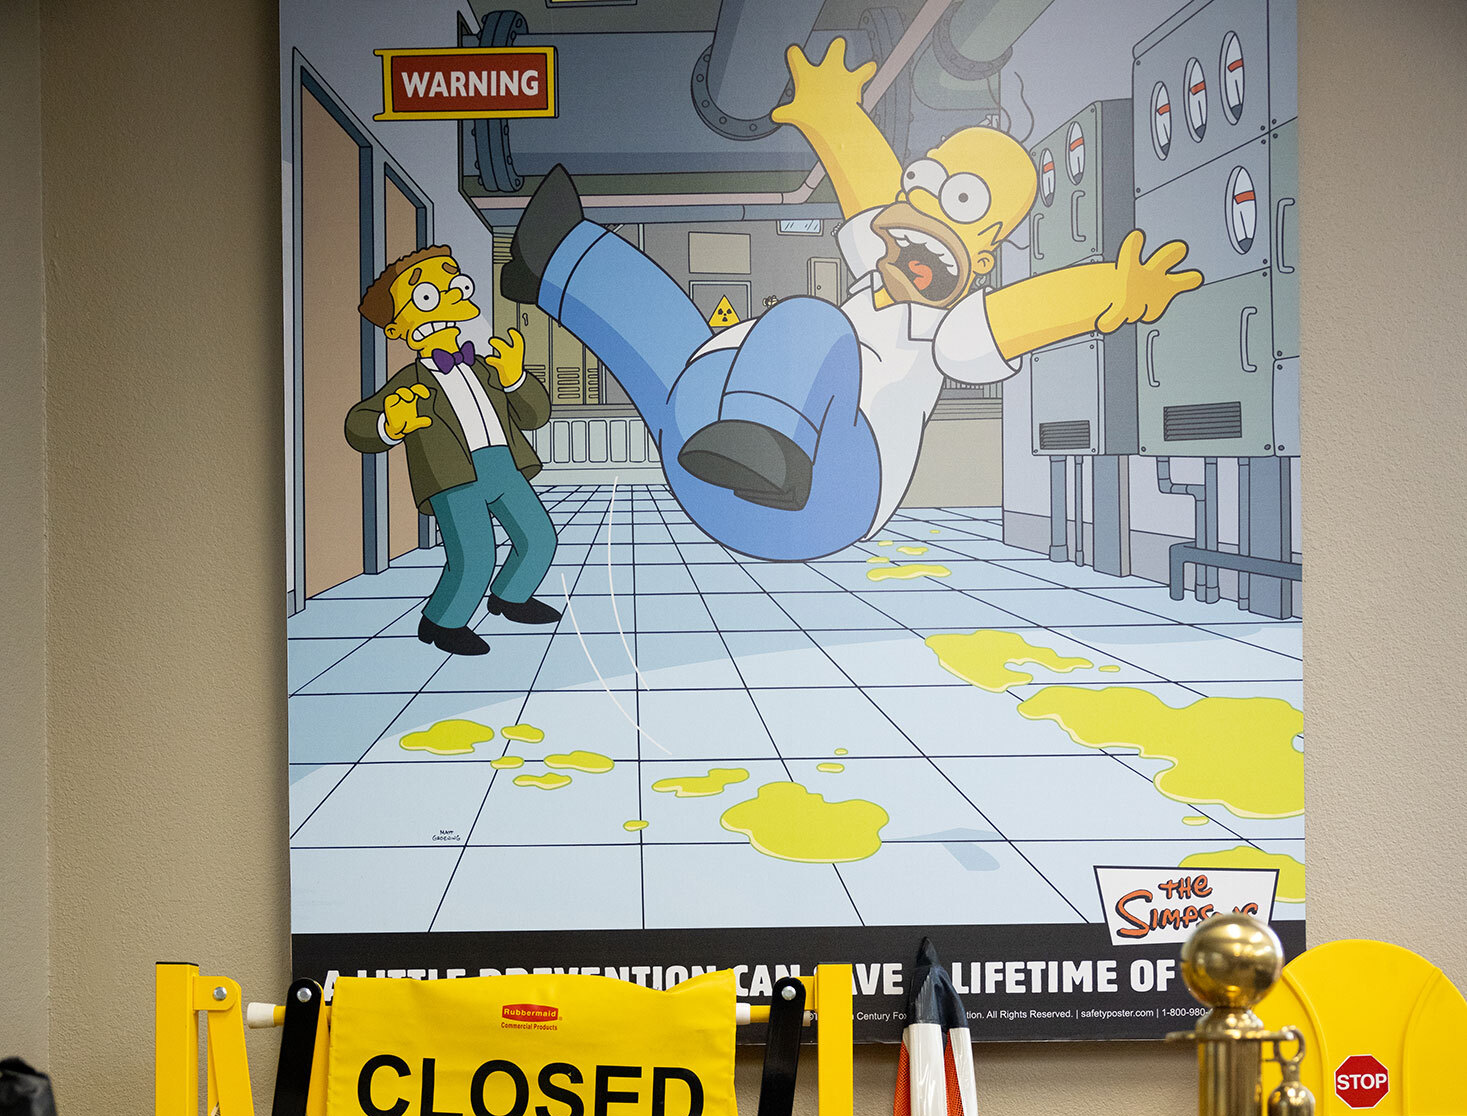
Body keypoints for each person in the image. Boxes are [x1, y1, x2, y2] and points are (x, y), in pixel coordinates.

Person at [501, 41, 1201, 561]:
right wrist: (832, 112)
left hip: (821, 495)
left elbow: (1020, 316)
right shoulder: (878, 259)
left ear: (984, 256)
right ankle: (555, 261)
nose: (923, 212)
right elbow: (872, 197)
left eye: (959, 203)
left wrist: (1111, 290)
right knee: (682, 349)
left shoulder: (952, 331)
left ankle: (765, 439)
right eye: (923, 187)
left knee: (811, 322)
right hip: (704, 460)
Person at [346, 244, 560, 655]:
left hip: (504, 464)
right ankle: (442, 621)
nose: (451, 297)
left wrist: (515, 378)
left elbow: (535, 416)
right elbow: (357, 424)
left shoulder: (487, 367)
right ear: (398, 328)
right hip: (453, 476)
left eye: (455, 286)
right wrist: (389, 424)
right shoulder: (410, 381)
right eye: (428, 295)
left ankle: (511, 597)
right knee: (475, 556)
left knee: (539, 537)